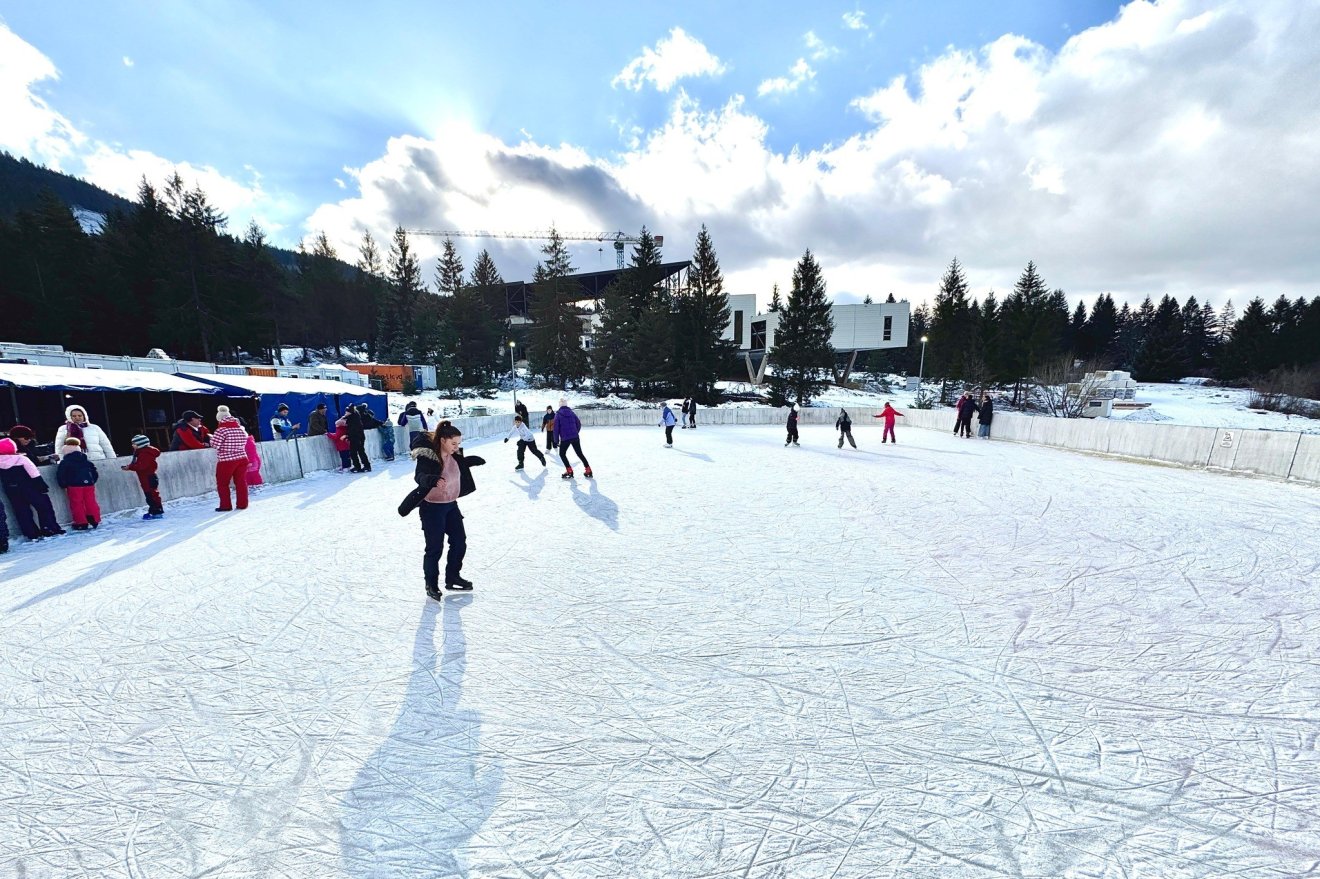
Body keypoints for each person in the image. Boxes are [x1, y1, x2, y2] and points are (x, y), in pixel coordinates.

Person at [410, 421, 485, 597]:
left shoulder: (455, 455)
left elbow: (457, 467)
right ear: (443, 440)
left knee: (459, 542)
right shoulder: (428, 457)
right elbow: (419, 475)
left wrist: (469, 462)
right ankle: (431, 584)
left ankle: (453, 577)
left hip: (451, 505)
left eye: (459, 443)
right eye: (453, 443)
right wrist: (431, 480)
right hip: (432, 508)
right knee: (434, 548)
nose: (456, 447)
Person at [0, 437, 64, 539]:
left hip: (11, 489)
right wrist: (42, 486)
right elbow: (34, 473)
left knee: (21, 510)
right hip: (29, 487)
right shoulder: (21, 459)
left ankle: (31, 533)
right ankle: (49, 527)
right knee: (44, 506)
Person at [56, 437, 101, 530]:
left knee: (77, 503)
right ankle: (94, 519)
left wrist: (63, 484)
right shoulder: (86, 460)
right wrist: (92, 480)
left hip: (74, 485)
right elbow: (94, 471)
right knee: (90, 501)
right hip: (89, 484)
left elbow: (61, 474)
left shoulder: (65, 462)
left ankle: (81, 522)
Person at [212, 405, 250, 511]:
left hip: (227, 460)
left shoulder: (221, 430)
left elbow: (215, 445)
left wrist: (211, 438)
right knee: (241, 482)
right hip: (242, 458)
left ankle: (226, 505)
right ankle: (243, 504)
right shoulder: (240, 429)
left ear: (219, 419)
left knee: (223, 483)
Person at [122, 434, 164, 519]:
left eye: (134, 444)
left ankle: (157, 511)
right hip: (145, 479)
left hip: (148, 478)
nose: (132, 445)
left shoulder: (145, 454)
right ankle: (153, 510)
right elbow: (136, 463)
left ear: (140, 444)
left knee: (152, 495)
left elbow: (141, 466)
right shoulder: (139, 453)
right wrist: (129, 466)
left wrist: (130, 467)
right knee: (149, 495)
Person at [553, 397, 593, 479]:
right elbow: (578, 423)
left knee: (562, 454)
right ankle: (588, 469)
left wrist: (556, 440)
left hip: (565, 438)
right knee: (579, 453)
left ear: (559, 405)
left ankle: (569, 471)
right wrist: (575, 432)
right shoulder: (571, 413)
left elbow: (556, 429)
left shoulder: (558, 415)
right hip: (575, 437)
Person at [344, 405, 369, 472]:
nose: (345, 413)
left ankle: (364, 466)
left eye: (346, 412)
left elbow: (353, 430)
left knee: (357, 452)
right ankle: (360, 466)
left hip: (357, 438)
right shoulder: (353, 417)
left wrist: (347, 436)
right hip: (356, 437)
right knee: (356, 452)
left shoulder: (353, 419)